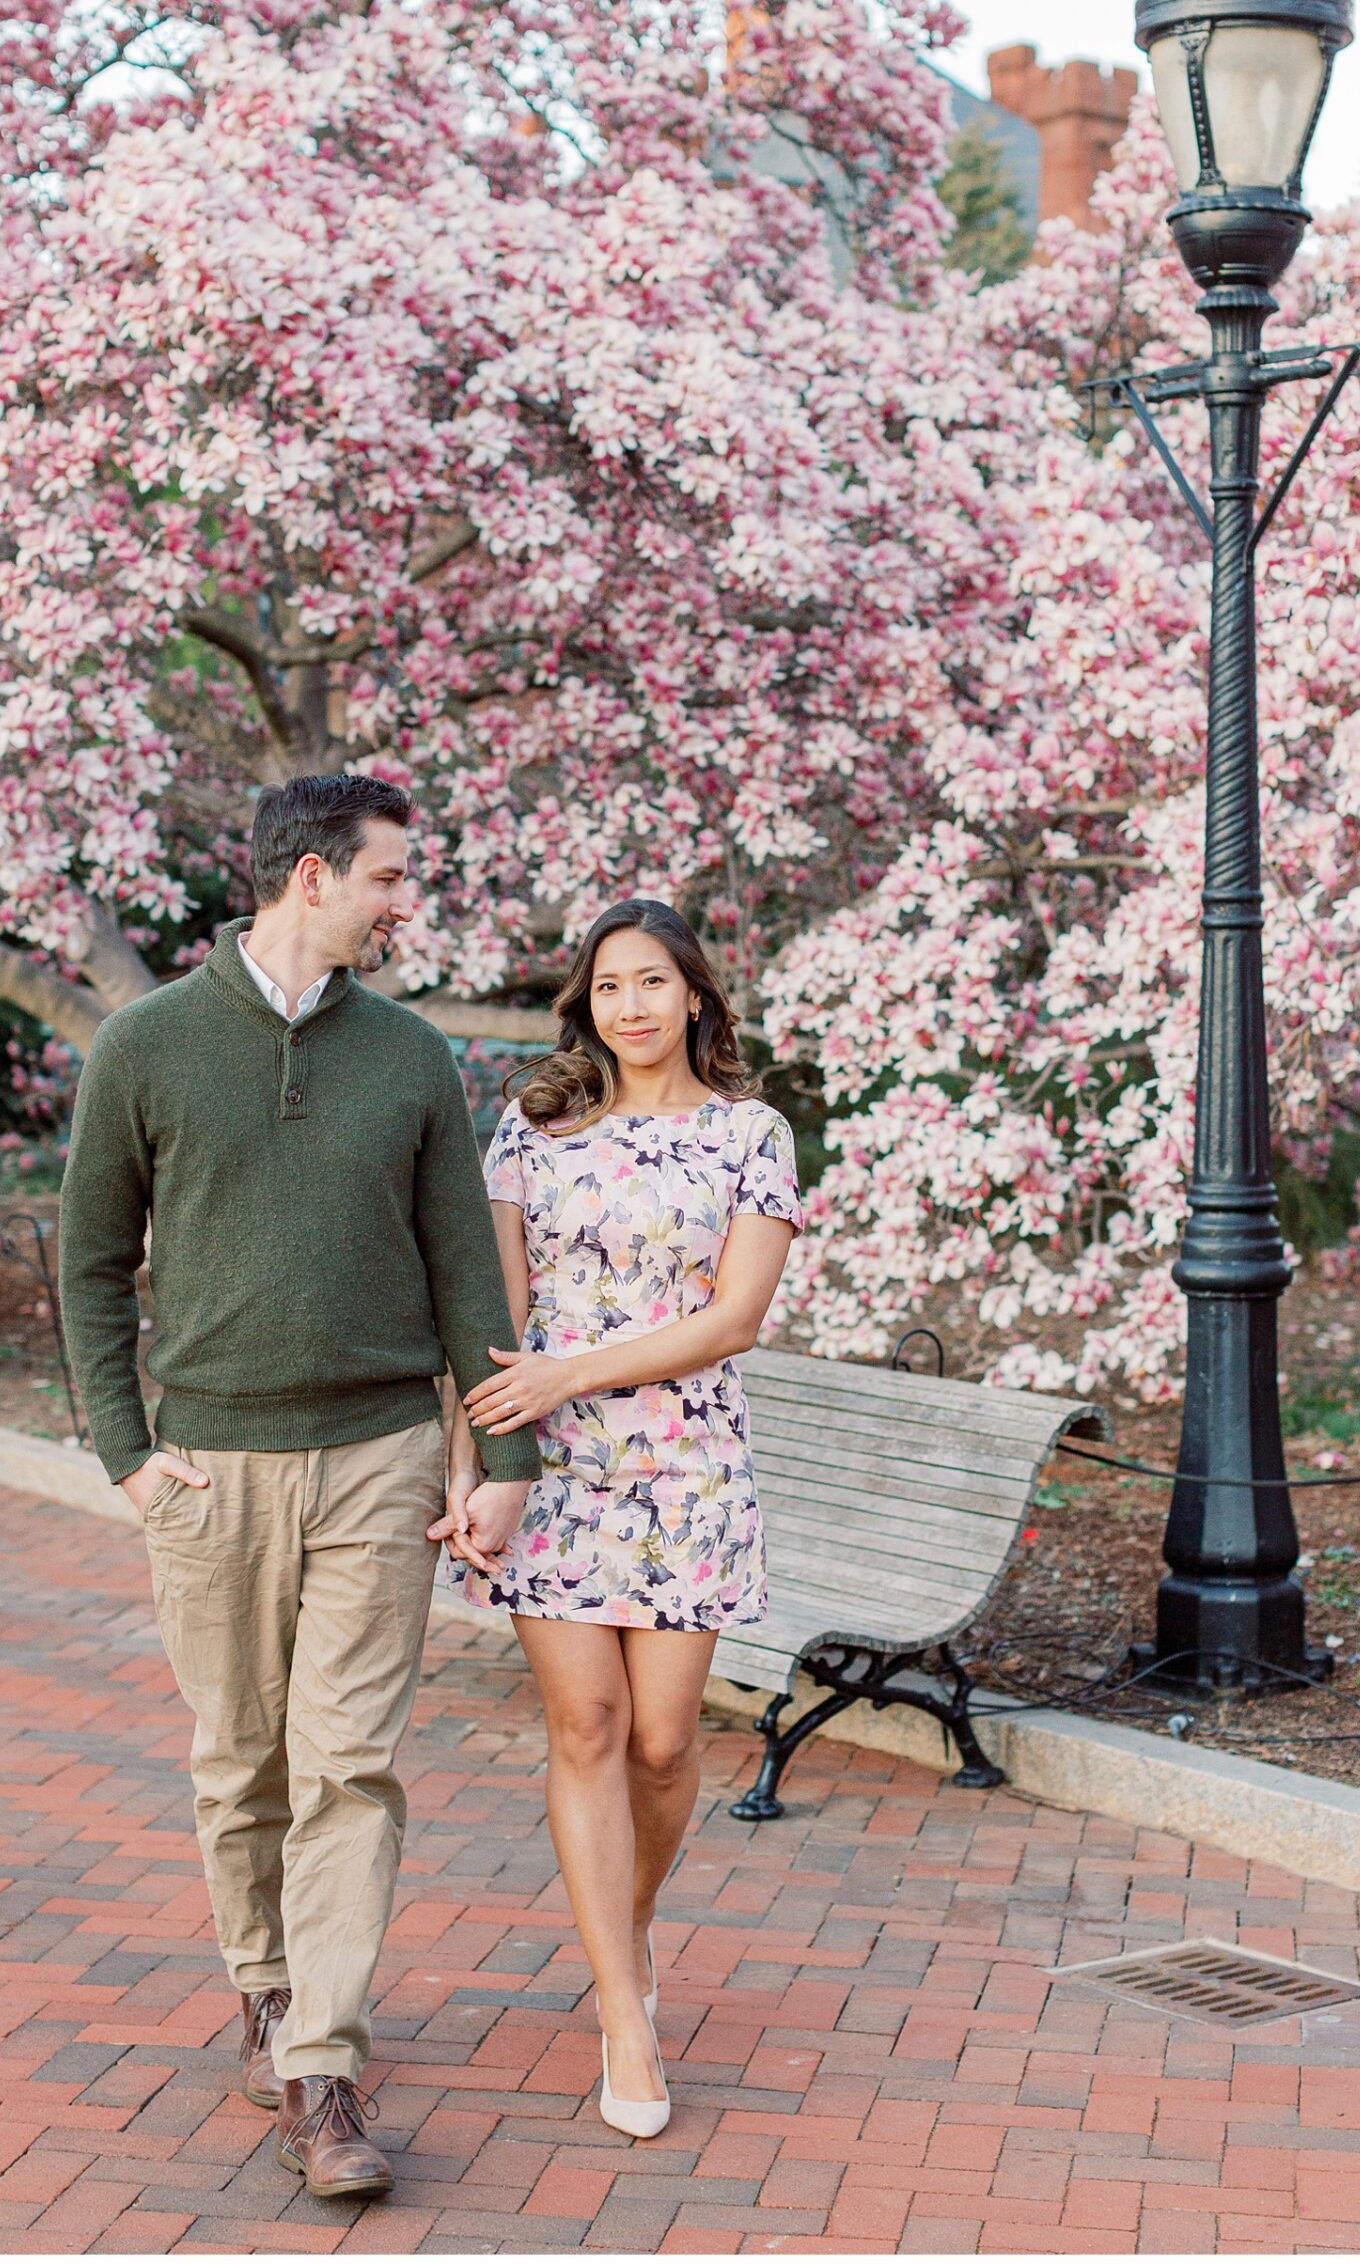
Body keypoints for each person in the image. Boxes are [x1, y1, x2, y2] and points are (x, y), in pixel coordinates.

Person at [57, 773, 538, 2200]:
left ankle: (322, 2069)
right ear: (312, 877)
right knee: (240, 1760)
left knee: (352, 1766)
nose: (406, 901)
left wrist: (501, 1455)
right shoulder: (143, 1046)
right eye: (390, 876)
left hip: (383, 1459)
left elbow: (465, 1267)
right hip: (211, 1465)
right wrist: (126, 1452)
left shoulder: (409, 1057)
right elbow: (89, 1263)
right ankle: (263, 1987)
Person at [433, 899, 801, 2142]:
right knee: (582, 1726)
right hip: (554, 1474)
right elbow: (493, 1313)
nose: (629, 1007)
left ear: (694, 995)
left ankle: (626, 1924)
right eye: (606, 988)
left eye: (651, 983)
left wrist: (568, 1374)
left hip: (689, 1469)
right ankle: (621, 2008)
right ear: (583, 1006)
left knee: (659, 1741)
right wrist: (472, 1465)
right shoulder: (533, 1133)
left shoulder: (751, 1135)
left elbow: (733, 1318)